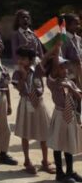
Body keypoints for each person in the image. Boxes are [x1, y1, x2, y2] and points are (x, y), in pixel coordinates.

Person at [12, 46, 53, 176]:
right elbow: (18, 88)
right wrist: (24, 76)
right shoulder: (17, 73)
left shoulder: (37, 70)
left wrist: (54, 49)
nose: (20, 61)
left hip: (39, 103)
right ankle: (27, 160)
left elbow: (45, 59)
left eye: (23, 59)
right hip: (26, 102)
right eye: (20, 58)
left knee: (44, 132)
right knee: (26, 133)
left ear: (30, 60)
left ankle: (45, 161)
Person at [46, 51, 82, 182]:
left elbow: (79, 96)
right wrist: (56, 49)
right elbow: (53, 70)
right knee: (58, 144)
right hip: (60, 115)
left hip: (70, 115)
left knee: (68, 144)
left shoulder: (69, 82)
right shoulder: (53, 83)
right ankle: (60, 174)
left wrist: (71, 88)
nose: (64, 69)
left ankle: (70, 171)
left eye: (65, 66)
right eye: (61, 67)